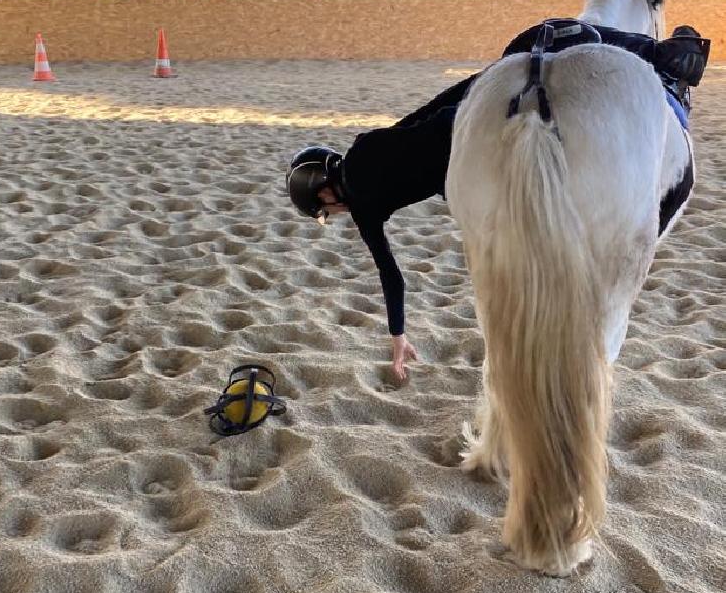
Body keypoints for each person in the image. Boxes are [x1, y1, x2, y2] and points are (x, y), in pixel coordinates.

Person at [286, 20, 709, 383]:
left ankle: (651, 52)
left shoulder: (364, 209)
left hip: (456, 162)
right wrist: (484, 85)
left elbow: (390, 274)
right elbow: (420, 117)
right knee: (539, 36)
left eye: (325, 211)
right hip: (455, 129)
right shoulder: (362, 149)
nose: (332, 214)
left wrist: (398, 336)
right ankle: (656, 52)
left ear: (323, 192)